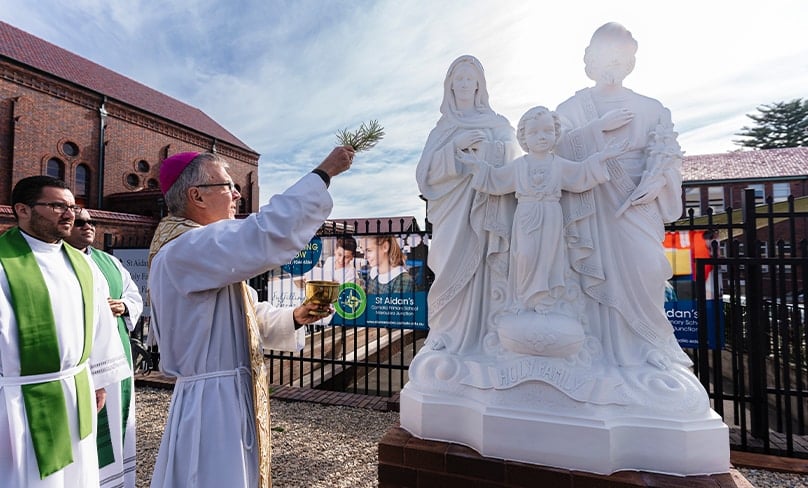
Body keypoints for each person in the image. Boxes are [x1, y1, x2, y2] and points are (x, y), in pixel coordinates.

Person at [147, 147, 352, 488]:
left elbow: (248, 317)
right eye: (228, 185)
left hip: (227, 391)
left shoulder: (199, 247)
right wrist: (322, 174)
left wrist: (296, 317)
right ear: (196, 195)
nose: (238, 193)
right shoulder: (187, 247)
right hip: (214, 404)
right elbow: (267, 232)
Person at [555, 22, 690, 370]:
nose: (612, 63)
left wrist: (657, 180)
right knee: (592, 279)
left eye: (620, 56)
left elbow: (667, 154)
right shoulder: (572, 109)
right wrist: (595, 130)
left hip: (637, 202)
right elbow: (554, 152)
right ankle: (599, 352)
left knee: (647, 267)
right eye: (606, 55)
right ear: (592, 59)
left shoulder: (652, 108)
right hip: (593, 203)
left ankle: (650, 344)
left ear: (630, 60)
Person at [0, 176, 129, 487]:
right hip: (18, 398)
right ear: (23, 210)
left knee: (78, 476)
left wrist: (97, 381)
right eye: (57, 205)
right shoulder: (4, 262)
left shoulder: (83, 264)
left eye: (72, 206)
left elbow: (101, 324)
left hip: (77, 388)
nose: (70, 214)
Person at [458, 106, 626, 313]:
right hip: (527, 215)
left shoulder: (559, 164)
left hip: (552, 216)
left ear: (556, 134)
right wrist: (477, 166)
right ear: (524, 138)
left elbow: (581, 174)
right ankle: (522, 299)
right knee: (525, 256)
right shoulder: (519, 165)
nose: (541, 137)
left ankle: (544, 300)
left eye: (548, 131)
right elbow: (496, 179)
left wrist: (603, 157)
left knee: (549, 258)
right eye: (534, 132)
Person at [415, 54, 521, 354]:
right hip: (452, 213)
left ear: (479, 86)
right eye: (457, 79)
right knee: (448, 265)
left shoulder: (497, 123)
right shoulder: (441, 130)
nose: (463, 84)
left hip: (487, 209)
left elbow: (513, 157)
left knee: (485, 273)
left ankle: (487, 336)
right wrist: (456, 148)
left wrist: (486, 151)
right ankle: (446, 332)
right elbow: (424, 175)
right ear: (449, 86)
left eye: (468, 79)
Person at [65, 209, 144, 488]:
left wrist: (125, 306)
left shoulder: (109, 261)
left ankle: (115, 480)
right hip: (82, 360)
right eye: (80, 222)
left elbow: (134, 296)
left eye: (91, 222)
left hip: (116, 355)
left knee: (115, 417)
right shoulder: (57, 261)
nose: (88, 227)